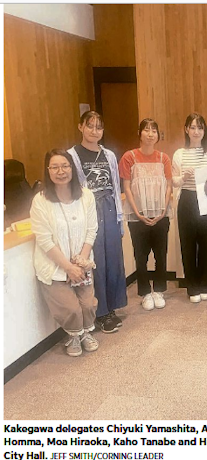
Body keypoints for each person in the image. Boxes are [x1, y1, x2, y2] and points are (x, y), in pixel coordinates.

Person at [30, 149, 99, 357]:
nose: (61, 171)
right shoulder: (40, 201)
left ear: (72, 168)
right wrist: (68, 267)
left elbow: (91, 230)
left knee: (88, 305)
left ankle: (86, 333)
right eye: (55, 167)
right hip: (55, 267)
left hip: (82, 263)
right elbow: (44, 240)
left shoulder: (86, 195)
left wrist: (81, 261)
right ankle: (74, 335)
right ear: (48, 170)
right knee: (70, 309)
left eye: (65, 166)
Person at [68, 111, 127, 334]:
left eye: (99, 127)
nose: (94, 131)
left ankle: (112, 307)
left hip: (110, 209)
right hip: (89, 212)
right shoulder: (72, 155)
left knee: (113, 260)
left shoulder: (109, 155)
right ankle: (99, 312)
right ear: (80, 126)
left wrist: (119, 218)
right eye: (90, 126)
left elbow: (115, 187)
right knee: (96, 262)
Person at [119, 119, 173, 311]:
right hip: (137, 215)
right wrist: (137, 213)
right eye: (146, 130)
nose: (150, 134)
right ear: (139, 133)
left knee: (161, 254)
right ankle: (144, 293)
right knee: (140, 256)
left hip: (160, 214)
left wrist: (163, 210)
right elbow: (126, 187)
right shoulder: (129, 157)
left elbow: (168, 186)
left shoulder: (163, 158)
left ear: (158, 135)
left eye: (154, 131)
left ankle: (158, 290)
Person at [172, 113, 207, 303]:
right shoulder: (179, 153)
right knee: (188, 244)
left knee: (206, 243)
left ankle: (205, 284)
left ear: (204, 130)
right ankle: (192, 286)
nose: (196, 131)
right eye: (192, 127)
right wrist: (183, 177)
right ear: (186, 130)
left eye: (200, 128)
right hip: (187, 199)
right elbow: (174, 181)